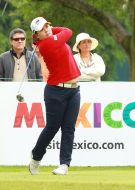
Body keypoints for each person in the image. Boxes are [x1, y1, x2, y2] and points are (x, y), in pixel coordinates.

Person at [29, 17, 81, 175]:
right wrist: (51, 30)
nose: (47, 29)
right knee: (52, 127)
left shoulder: (50, 38)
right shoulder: (47, 44)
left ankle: (64, 165)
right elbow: (68, 31)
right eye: (42, 29)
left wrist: (49, 28)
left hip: (74, 90)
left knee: (68, 128)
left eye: (47, 25)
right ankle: (36, 157)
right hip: (55, 91)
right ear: (36, 36)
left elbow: (61, 32)